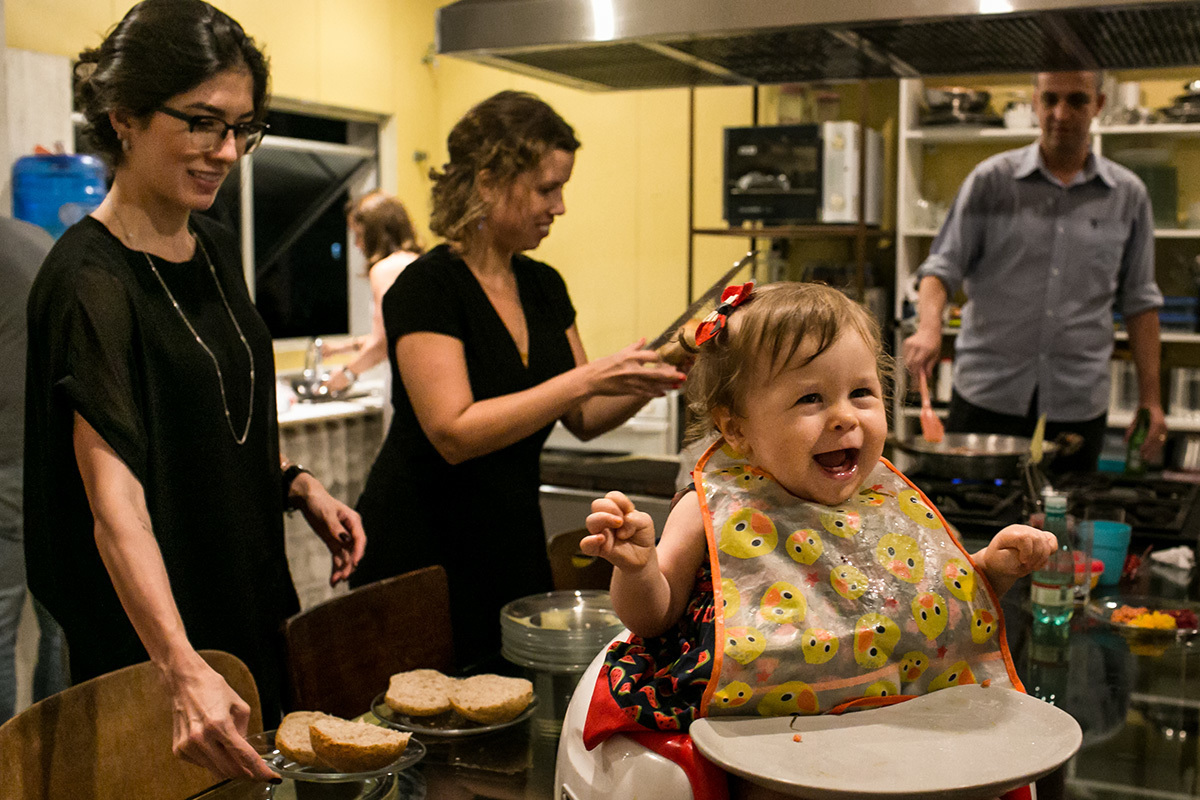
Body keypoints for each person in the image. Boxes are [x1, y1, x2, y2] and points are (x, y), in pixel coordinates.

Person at [24, 0, 365, 783]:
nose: (228, 152)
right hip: (157, 643)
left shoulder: (211, 246)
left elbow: (212, 413)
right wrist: (179, 668)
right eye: (204, 123)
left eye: (244, 128)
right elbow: (115, 508)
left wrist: (296, 483)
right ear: (124, 118)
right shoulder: (88, 279)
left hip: (244, 598)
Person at [578, 282, 1056, 799]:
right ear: (736, 428)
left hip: (893, 731)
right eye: (811, 398)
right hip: (760, 739)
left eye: (862, 393)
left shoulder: (884, 498)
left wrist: (993, 569)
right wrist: (637, 568)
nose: (845, 416)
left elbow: (942, 613)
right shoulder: (712, 505)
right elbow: (652, 617)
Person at [351, 90, 686, 672]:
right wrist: (585, 379)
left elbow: (585, 419)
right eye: (545, 188)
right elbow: (453, 432)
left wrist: (675, 361)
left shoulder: (543, 285)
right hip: (423, 548)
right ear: (487, 182)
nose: (558, 207)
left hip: (508, 542)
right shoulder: (426, 287)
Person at [903, 70, 1166, 474]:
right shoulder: (991, 181)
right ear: (1034, 102)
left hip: (1077, 405)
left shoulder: (1128, 195)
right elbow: (941, 268)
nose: (1061, 113)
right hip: (987, 396)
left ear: (1098, 105)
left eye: (1077, 100)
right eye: (1050, 99)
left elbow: (1141, 304)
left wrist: (1151, 399)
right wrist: (928, 327)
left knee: (1065, 528)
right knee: (969, 528)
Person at [0, 216, 67, 724]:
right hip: (56, 447)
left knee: (1, 627)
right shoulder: (35, 236)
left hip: (7, 457)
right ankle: (53, 763)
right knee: (58, 622)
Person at [320, 191, 423, 395]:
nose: (357, 244)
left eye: (359, 235)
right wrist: (340, 349)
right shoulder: (418, 261)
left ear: (376, 232)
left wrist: (346, 374)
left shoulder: (385, 269)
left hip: (407, 384)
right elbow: (400, 333)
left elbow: (383, 341)